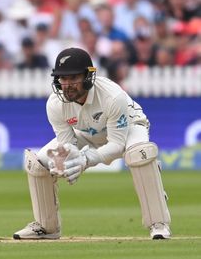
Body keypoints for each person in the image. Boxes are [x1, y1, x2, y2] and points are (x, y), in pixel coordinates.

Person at [13, 47, 171, 240]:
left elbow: (116, 145)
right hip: (87, 134)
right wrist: (65, 161)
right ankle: (47, 227)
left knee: (139, 154)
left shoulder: (113, 96)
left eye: (73, 78)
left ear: (88, 77)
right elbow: (67, 144)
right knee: (38, 163)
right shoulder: (55, 104)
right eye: (63, 79)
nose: (67, 85)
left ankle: (158, 222)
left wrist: (85, 160)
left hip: (129, 127)